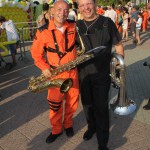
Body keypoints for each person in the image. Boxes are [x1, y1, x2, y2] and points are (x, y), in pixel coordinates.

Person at [76, 0, 124, 149]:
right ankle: (92, 128)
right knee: (87, 105)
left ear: (95, 4)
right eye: (82, 5)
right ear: (78, 8)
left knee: (101, 108)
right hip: (83, 74)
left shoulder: (107, 22)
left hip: (102, 74)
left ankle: (103, 142)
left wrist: (119, 68)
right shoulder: (76, 26)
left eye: (88, 3)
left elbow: (118, 46)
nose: (86, 8)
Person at [30, 1, 79, 143]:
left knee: (73, 102)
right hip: (55, 74)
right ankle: (56, 130)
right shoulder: (42, 31)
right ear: (52, 10)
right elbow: (35, 53)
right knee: (55, 104)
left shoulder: (73, 25)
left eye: (65, 10)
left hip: (72, 71)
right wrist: (44, 67)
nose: (62, 13)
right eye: (59, 9)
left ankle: (68, 124)